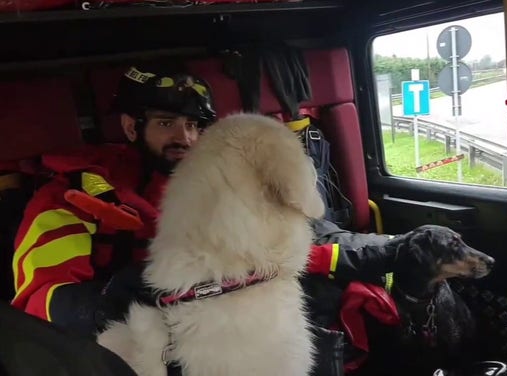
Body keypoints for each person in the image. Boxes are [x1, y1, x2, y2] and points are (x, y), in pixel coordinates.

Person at [9, 65, 454, 340]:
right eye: (166, 123)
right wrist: (121, 299)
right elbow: (41, 301)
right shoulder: (73, 196)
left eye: (194, 125)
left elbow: (301, 246)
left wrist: (390, 249)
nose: (183, 138)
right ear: (130, 127)